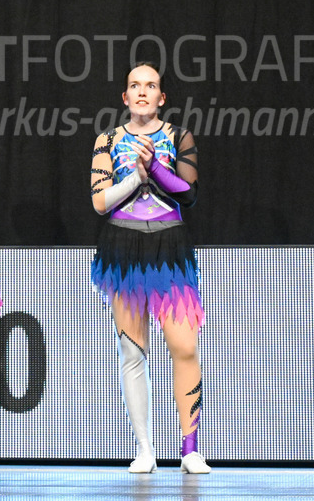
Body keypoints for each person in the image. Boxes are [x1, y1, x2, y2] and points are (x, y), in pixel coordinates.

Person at [89, 64, 209, 475]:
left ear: (162, 98)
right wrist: (136, 176)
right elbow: (100, 202)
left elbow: (189, 193)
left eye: (151, 86)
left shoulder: (178, 137)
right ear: (125, 98)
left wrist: (156, 169)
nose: (142, 92)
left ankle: (190, 447)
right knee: (132, 350)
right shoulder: (107, 140)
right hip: (123, 247)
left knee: (185, 347)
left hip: (168, 245)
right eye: (134, 86)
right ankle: (144, 447)